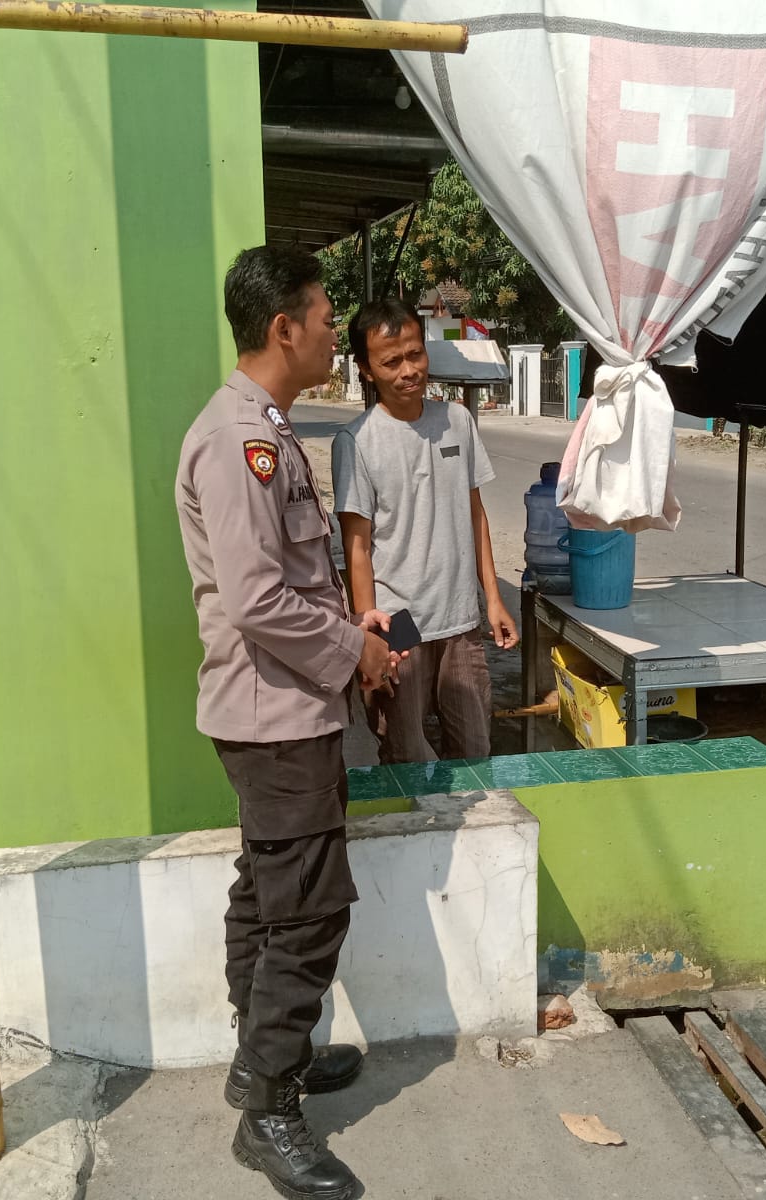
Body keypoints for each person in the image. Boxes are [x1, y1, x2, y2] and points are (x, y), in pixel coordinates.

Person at [175, 245, 400, 1200]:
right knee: (308, 908)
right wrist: (357, 653)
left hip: (284, 707)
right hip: (275, 717)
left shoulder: (264, 428)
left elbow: (288, 584)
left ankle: (266, 1061)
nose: (333, 334)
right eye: (324, 316)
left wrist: (353, 630)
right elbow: (258, 599)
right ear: (283, 328)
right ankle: (269, 1111)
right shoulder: (241, 441)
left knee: (270, 893)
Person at [331, 297, 518, 765]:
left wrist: (493, 599)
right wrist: (368, 636)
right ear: (366, 370)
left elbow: (475, 513)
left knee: (474, 752)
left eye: (415, 354)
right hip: (399, 627)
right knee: (406, 756)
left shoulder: (456, 421)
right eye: (391, 362)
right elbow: (357, 548)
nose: (408, 370)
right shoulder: (356, 442)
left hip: (460, 620)